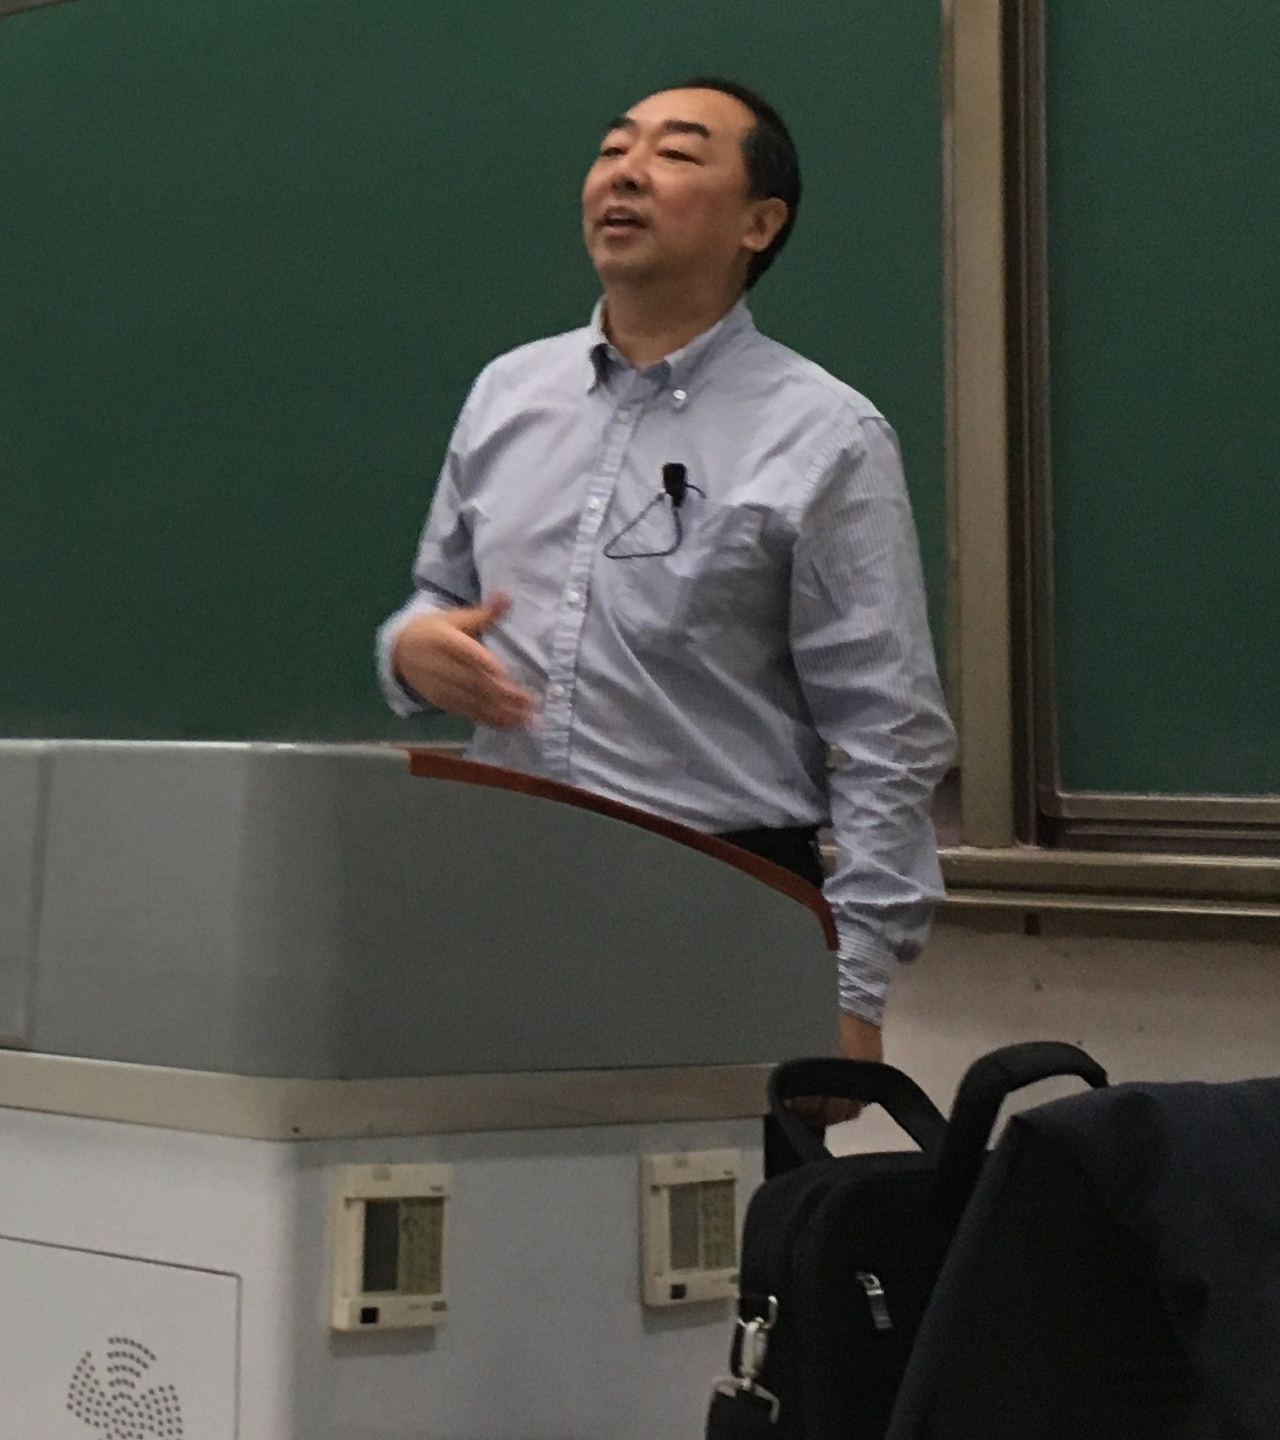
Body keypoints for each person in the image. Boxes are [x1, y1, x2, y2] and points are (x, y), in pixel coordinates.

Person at [376, 78, 949, 1066]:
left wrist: (852, 983)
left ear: (758, 224)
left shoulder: (825, 434)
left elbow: (886, 731)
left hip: (721, 896)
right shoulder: (508, 392)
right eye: (613, 149)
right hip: (500, 891)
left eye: (678, 154)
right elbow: (439, 596)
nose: (627, 173)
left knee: (704, 1169)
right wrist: (409, 649)